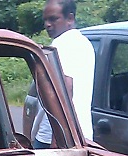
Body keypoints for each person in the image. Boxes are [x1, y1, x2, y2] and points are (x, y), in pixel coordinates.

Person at [32, 0, 95, 147]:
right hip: (80, 133)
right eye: (45, 20)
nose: (47, 24)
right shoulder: (83, 42)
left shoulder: (63, 44)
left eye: (53, 19)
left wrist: (58, 139)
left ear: (70, 19)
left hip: (55, 136)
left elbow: (66, 87)